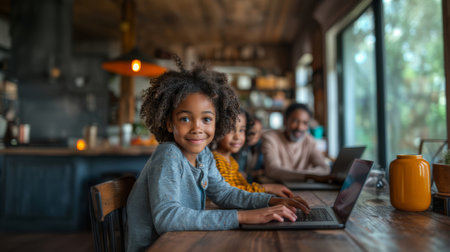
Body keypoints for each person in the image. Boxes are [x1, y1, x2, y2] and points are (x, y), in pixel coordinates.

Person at [126, 57, 310, 252]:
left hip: (184, 241)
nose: (197, 128)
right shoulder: (168, 154)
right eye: (185, 118)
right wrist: (243, 217)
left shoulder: (204, 155)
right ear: (169, 123)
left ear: (218, 122)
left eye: (206, 119)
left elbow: (224, 193)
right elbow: (168, 218)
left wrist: (270, 200)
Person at [212, 109, 294, 198]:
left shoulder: (231, 161)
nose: (237, 136)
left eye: (241, 130)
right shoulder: (216, 160)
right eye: (230, 130)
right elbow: (230, 192)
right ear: (217, 130)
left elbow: (243, 186)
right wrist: (268, 187)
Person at [261, 103, 331, 182]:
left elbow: (325, 169)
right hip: (277, 188)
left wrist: (305, 176)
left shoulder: (309, 140)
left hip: (304, 188)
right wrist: (309, 176)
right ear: (285, 121)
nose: (299, 127)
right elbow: (272, 171)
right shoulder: (270, 138)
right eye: (295, 121)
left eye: (304, 123)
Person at [234, 116, 265, 183]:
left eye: (259, 132)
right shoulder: (237, 147)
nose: (255, 135)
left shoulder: (260, 146)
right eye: (252, 130)